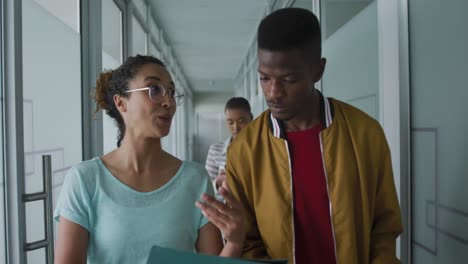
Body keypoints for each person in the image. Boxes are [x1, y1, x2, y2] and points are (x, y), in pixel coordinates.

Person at [225, 8, 403, 264]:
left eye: (288, 79)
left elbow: (384, 227)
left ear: (318, 71)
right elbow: (248, 242)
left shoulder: (365, 134)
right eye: (264, 78)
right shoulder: (244, 150)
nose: (273, 92)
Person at [54, 55, 246, 264]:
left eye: (171, 92)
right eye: (154, 89)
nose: (169, 102)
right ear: (121, 103)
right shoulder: (85, 180)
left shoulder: (195, 178)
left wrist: (234, 242)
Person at [205, 97, 253, 198]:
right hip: (224, 209)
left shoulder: (261, 149)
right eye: (230, 122)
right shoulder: (215, 150)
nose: (235, 127)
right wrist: (218, 183)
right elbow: (206, 189)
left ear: (251, 119)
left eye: (241, 121)